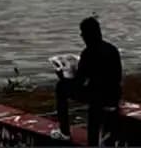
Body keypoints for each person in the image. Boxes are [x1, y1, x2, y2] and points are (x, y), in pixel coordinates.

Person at [52, 17, 122, 146]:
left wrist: (62, 76)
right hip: (113, 95)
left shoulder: (88, 53)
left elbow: (79, 83)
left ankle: (64, 132)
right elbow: (118, 77)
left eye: (83, 33)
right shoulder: (112, 49)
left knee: (61, 88)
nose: (81, 36)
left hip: (98, 98)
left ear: (87, 35)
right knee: (96, 93)